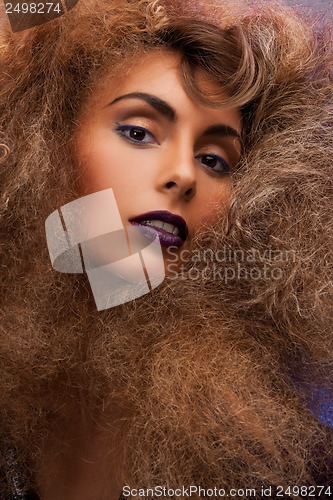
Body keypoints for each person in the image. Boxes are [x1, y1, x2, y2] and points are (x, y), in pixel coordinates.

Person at [0, 0, 332, 498]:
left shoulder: (290, 469)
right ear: (42, 144)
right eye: (138, 132)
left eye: (215, 160)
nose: (182, 175)